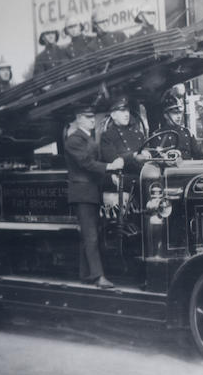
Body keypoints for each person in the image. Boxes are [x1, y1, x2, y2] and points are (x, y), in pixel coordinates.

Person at [64, 104, 124, 288]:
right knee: (91, 236)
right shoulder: (74, 140)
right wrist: (110, 167)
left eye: (93, 117)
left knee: (90, 234)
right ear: (79, 118)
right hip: (83, 192)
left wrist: (109, 175)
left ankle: (86, 274)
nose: (93, 120)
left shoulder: (88, 138)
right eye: (88, 117)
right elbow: (86, 163)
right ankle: (98, 277)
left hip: (90, 191)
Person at [100, 95, 149, 190]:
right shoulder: (108, 136)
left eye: (128, 111)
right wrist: (134, 155)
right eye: (122, 111)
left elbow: (146, 150)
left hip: (142, 177)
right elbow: (113, 160)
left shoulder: (138, 134)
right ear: (113, 115)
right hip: (123, 181)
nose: (127, 114)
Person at [153, 86, 203, 160]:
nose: (179, 116)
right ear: (166, 115)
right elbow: (156, 159)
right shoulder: (158, 135)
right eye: (174, 113)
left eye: (180, 113)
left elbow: (199, 156)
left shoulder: (187, 133)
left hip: (186, 169)